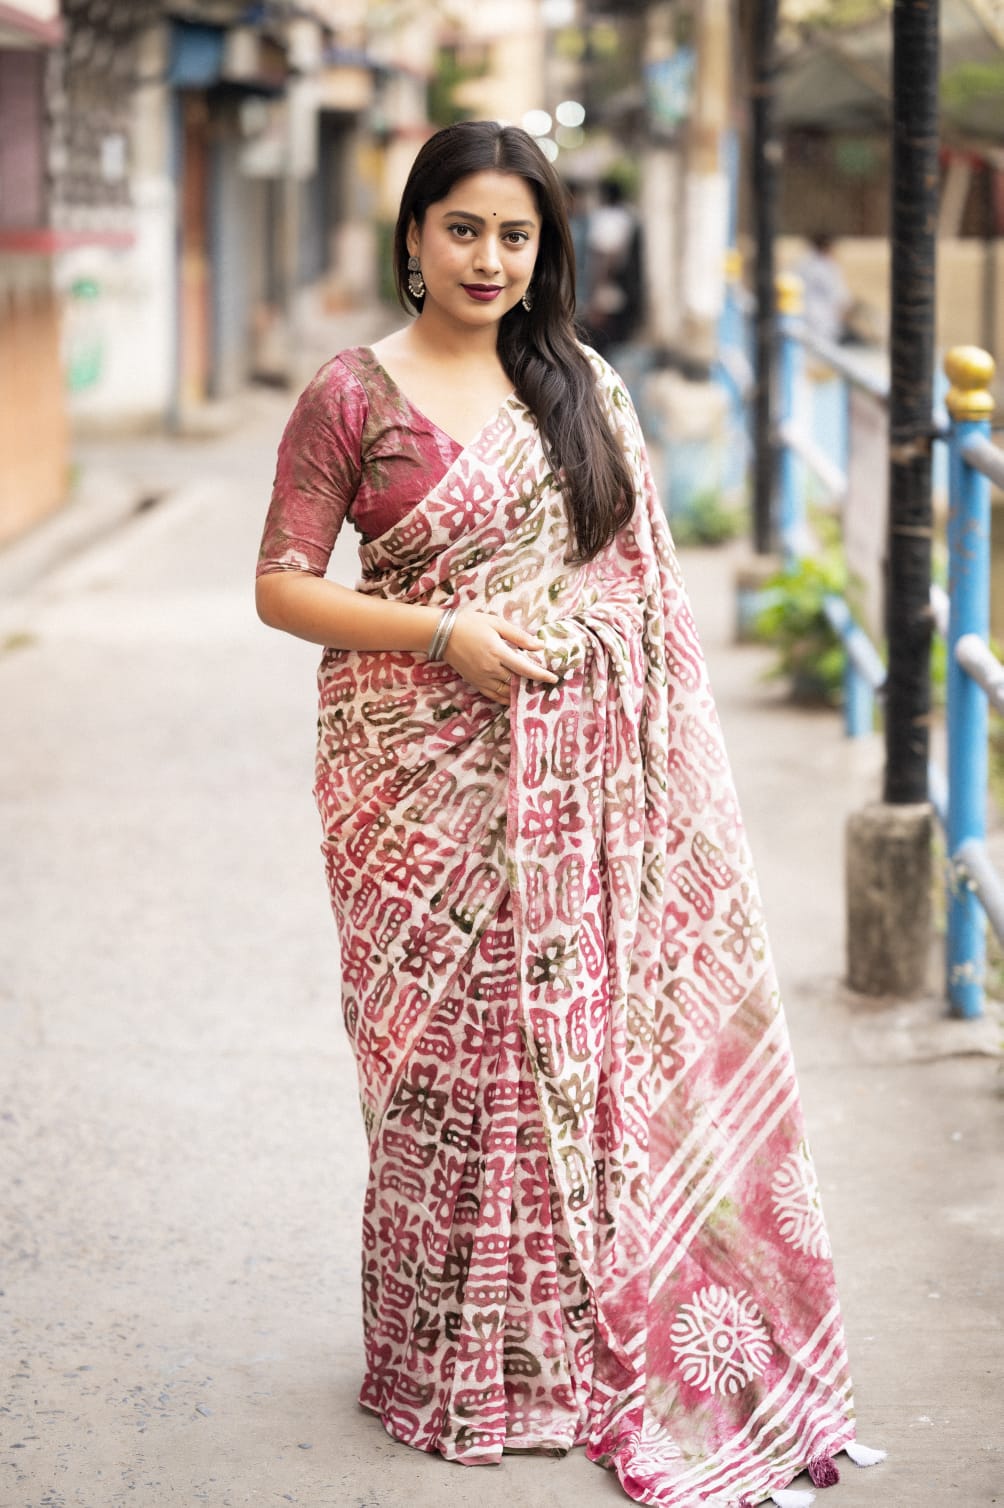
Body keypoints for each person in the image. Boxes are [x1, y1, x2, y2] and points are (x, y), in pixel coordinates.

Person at [255, 121, 883, 1506]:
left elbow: (641, 601)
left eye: (516, 235)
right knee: (441, 1068)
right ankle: (443, 1359)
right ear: (412, 236)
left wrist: (562, 660)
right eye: (463, 228)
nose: (489, 258)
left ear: (546, 250)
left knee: (576, 1058)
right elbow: (284, 588)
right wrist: (445, 639)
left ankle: (560, 1361)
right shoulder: (350, 397)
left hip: (584, 783)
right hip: (412, 785)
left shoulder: (581, 387)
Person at [581, 175, 644, 356]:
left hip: (609, 287)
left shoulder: (605, 219)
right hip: (624, 288)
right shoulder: (628, 217)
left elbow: (604, 257)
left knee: (602, 341)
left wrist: (596, 293)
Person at [796, 233, 851, 347]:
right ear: (827, 247)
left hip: (802, 319)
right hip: (824, 323)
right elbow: (841, 298)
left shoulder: (802, 264)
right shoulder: (827, 267)